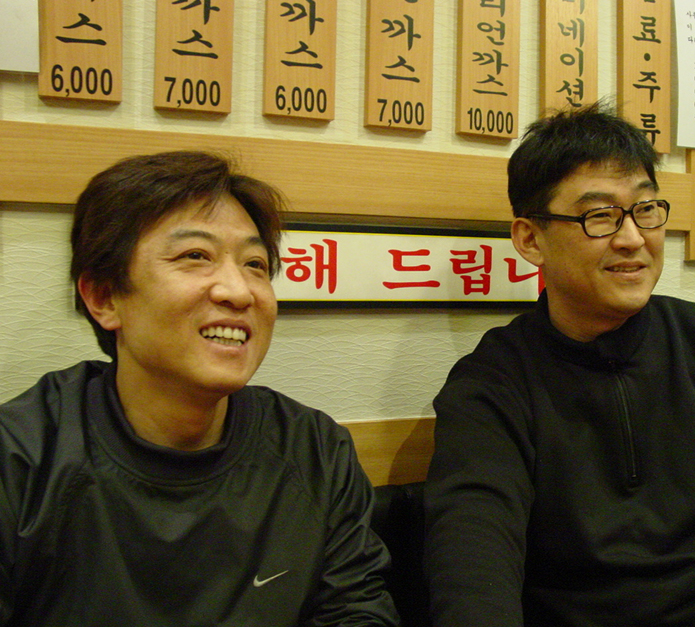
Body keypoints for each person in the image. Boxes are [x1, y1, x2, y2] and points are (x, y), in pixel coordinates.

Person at [423, 103, 695, 626]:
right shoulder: (493, 386)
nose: (632, 238)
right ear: (530, 239)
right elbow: (473, 564)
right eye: (600, 216)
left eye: (645, 210)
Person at [0, 151, 398, 626]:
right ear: (104, 297)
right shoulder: (22, 459)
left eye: (254, 264)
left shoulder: (314, 451)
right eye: (195, 256)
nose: (238, 290)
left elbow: (357, 613)